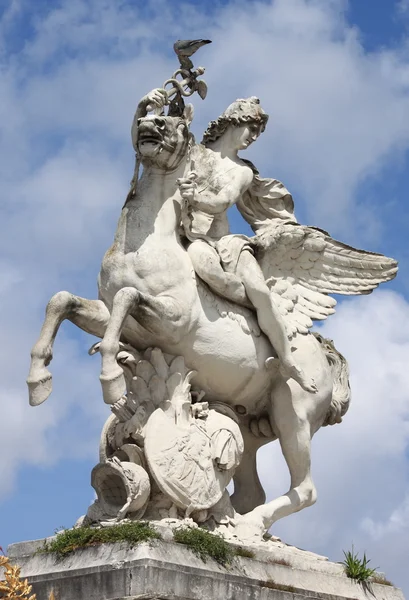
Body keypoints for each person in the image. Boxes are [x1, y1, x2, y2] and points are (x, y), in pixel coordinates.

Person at [177, 97, 317, 393]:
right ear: (234, 121)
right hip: (192, 239)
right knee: (203, 270)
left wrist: (192, 196)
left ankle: (287, 358)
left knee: (260, 291)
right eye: (251, 127)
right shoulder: (194, 154)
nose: (253, 136)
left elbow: (220, 203)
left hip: (226, 244)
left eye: (258, 131)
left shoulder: (242, 171)